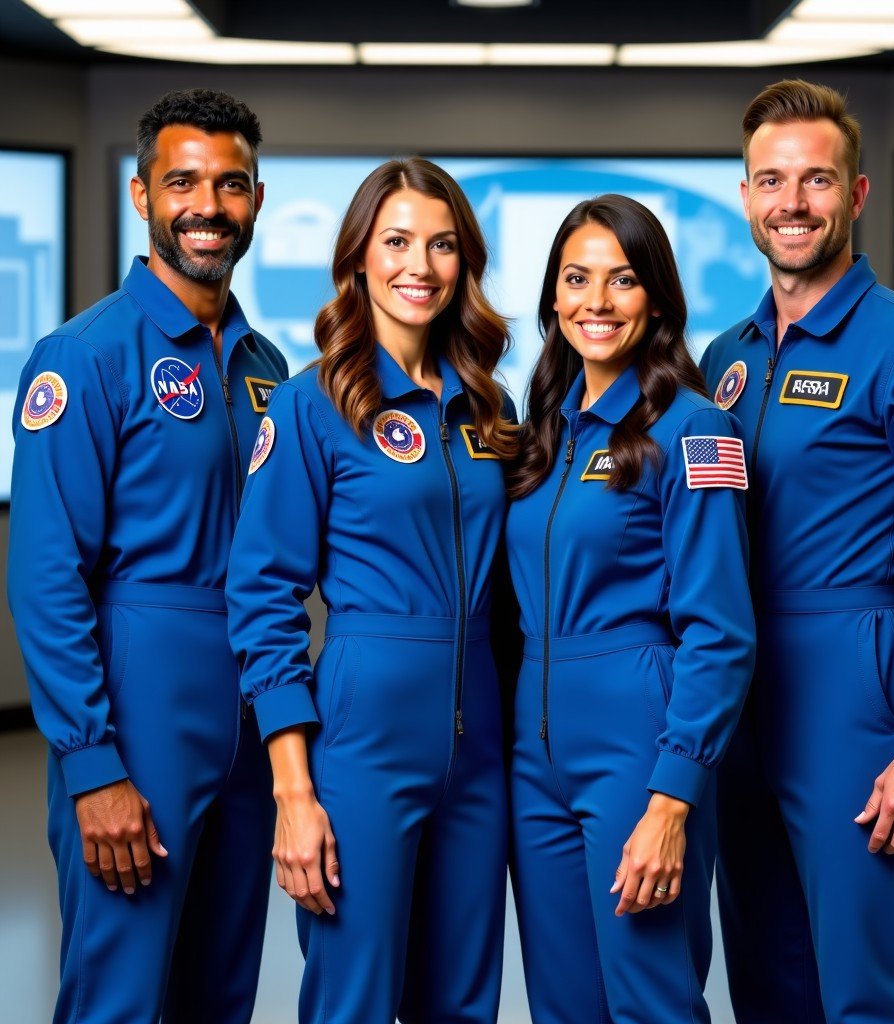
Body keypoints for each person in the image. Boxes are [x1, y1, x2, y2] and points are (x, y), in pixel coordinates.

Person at [701, 79, 894, 1024]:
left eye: (817, 180)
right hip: (739, 691)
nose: (793, 202)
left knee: (865, 980)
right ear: (746, 195)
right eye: (772, 181)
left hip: (852, 683)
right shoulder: (723, 359)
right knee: (764, 972)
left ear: (856, 195)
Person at [7, 89, 287, 1023]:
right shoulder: (81, 358)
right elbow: (48, 578)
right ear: (141, 196)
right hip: (140, 702)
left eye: (230, 184)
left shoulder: (266, 367)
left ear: (255, 197)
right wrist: (92, 765)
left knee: (222, 990)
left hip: (249, 713)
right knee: (120, 995)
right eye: (183, 182)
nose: (208, 205)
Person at [226, 157, 518, 1024]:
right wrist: (294, 792)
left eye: (440, 245)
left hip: (482, 751)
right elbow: (264, 596)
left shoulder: (489, 413)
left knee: (463, 1002)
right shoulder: (310, 404)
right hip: (363, 746)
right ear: (358, 257)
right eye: (395, 242)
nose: (417, 266)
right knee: (352, 1001)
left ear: (464, 262)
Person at [504, 194, 755, 1024]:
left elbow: (720, 633)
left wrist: (672, 798)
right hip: (533, 756)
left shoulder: (696, 430)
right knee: (563, 1004)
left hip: (638, 748)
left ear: (657, 298)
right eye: (577, 279)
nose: (597, 303)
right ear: (552, 298)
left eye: (622, 280)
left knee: (651, 1001)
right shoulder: (545, 430)